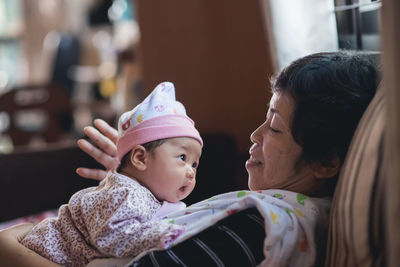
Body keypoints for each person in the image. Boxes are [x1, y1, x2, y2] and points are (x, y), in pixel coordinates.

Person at [0, 51, 380, 267]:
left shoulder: (256, 228)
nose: (255, 135)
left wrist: (8, 245)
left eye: (275, 128)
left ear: (327, 162)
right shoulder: (297, 216)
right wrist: (136, 184)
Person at [19, 82, 203, 267]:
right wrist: (162, 234)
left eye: (195, 164)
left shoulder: (145, 194)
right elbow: (112, 236)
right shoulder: (125, 193)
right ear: (140, 158)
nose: (191, 172)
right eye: (182, 157)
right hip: (41, 252)